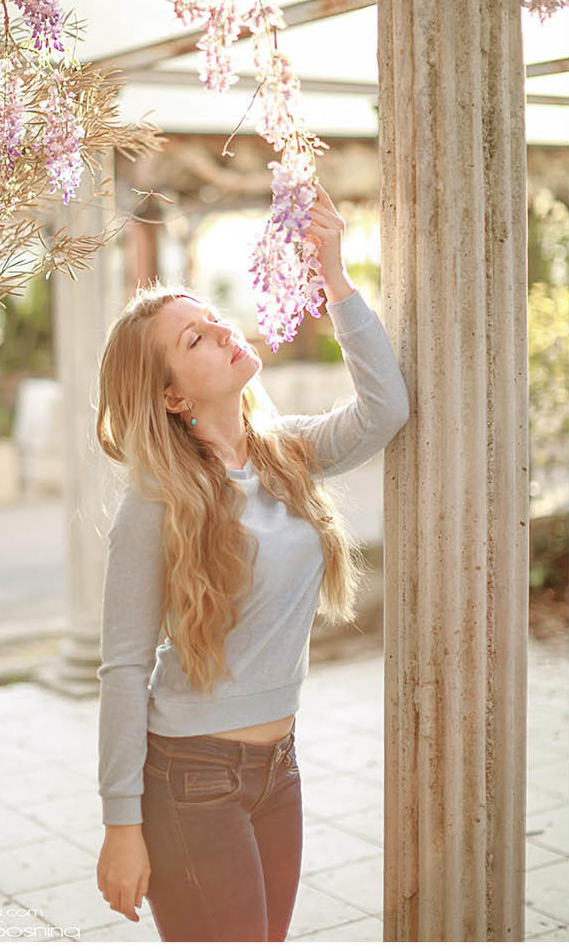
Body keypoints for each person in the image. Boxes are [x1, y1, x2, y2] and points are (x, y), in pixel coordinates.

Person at [92, 186, 409, 940]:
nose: (220, 332)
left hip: (279, 770)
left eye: (213, 320)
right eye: (194, 340)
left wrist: (333, 273)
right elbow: (124, 667)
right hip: (190, 777)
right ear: (170, 396)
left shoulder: (287, 455)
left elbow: (385, 410)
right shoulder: (153, 502)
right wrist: (120, 824)